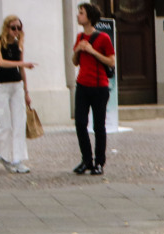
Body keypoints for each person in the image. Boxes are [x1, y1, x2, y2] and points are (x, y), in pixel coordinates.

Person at [71, 3, 115, 176]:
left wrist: (92, 51)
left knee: (99, 126)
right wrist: (78, 50)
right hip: (82, 85)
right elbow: (75, 61)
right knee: (80, 124)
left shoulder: (103, 38)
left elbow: (111, 61)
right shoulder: (80, 36)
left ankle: (99, 163)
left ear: (89, 17)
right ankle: (86, 160)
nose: (78, 16)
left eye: (81, 13)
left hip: (99, 87)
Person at [0, 15, 36, 174]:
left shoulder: (18, 44)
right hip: (0, 85)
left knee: (19, 122)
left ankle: (18, 159)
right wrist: (22, 63)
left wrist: (26, 92)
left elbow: (22, 70)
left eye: (19, 28)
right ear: (7, 28)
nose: (16, 31)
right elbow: (0, 62)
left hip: (16, 85)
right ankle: (3, 155)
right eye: (13, 27)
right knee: (4, 124)